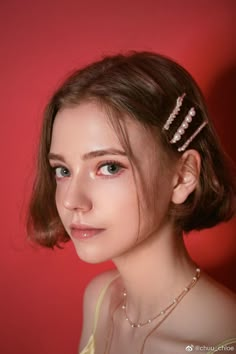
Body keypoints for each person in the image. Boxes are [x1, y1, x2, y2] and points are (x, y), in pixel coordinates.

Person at [27, 51, 236, 354]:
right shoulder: (100, 299)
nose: (72, 201)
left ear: (182, 176)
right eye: (63, 170)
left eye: (109, 167)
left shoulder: (218, 345)